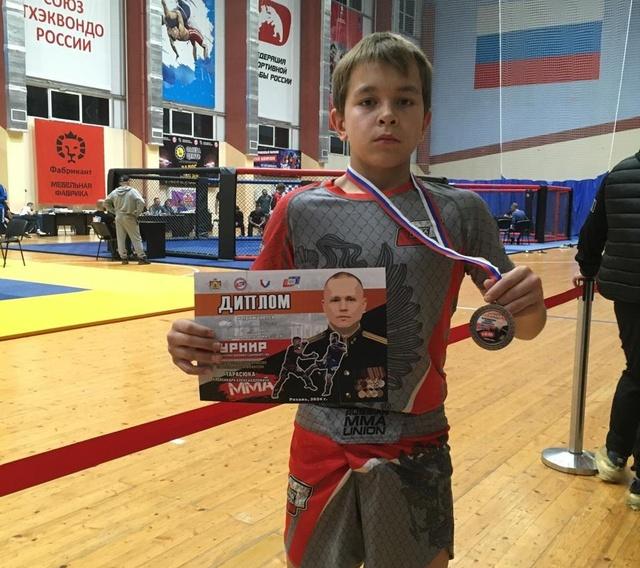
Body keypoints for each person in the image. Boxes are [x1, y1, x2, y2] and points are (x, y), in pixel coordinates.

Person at [167, 32, 546, 567]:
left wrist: (529, 306)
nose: (386, 114)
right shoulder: (298, 210)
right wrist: (201, 344)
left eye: (404, 100)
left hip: (415, 440)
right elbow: (251, 323)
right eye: (368, 100)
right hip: (320, 439)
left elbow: (520, 327)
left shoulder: (460, 213)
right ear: (339, 120)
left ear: (425, 120)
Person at [573, 151, 640, 511]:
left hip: (627, 293)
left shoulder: (619, 173)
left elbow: (593, 230)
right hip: (628, 289)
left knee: (636, 371)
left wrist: (587, 267)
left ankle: (614, 455)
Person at [104, 175, 150, 265]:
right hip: (129, 216)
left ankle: (123, 258)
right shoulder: (132, 191)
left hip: (118, 217)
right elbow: (141, 202)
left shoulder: (114, 192)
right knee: (136, 238)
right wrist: (137, 213)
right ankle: (142, 257)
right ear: (128, 181)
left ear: (120, 183)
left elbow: (106, 202)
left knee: (120, 238)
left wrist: (114, 211)